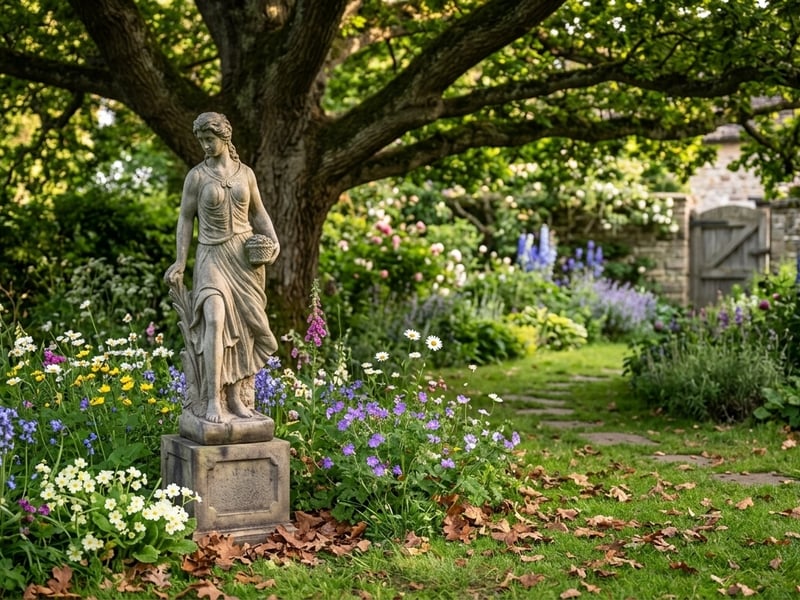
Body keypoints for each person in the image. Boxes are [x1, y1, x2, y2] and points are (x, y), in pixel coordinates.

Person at [165, 112, 280, 423]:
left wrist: (273, 241)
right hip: (211, 255)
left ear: (225, 138)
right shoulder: (197, 177)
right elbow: (185, 219)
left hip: (244, 259)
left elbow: (259, 214)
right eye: (201, 140)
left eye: (209, 139)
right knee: (215, 319)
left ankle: (235, 398)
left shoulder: (247, 174)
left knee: (243, 331)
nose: (204, 145)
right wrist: (180, 260)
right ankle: (213, 401)